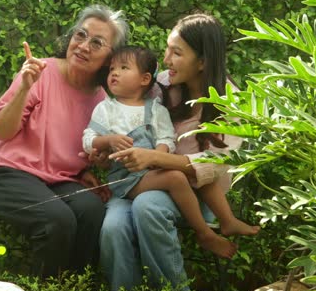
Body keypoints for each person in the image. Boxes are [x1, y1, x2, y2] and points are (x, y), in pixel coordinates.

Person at [99, 12, 259, 291]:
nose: (167, 59)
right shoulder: (159, 85)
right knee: (113, 226)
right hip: (139, 180)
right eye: (167, 49)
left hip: (195, 195)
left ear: (203, 62)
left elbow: (214, 165)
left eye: (177, 52)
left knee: (149, 208)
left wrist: (156, 157)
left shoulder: (229, 103)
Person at [0, 4, 129, 278]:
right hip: (7, 175)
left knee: (93, 211)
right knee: (57, 220)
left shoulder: (100, 100)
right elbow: (3, 132)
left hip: (56, 182)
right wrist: (25, 87)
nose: (83, 46)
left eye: (96, 43)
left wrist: (88, 167)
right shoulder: (41, 72)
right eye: (80, 35)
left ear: (110, 58)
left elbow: (79, 144)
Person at [83, 47, 239, 259]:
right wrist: (105, 143)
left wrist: (158, 155)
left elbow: (166, 139)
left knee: (182, 177)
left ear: (145, 79)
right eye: (112, 69)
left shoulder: (156, 108)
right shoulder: (106, 108)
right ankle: (204, 233)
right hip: (124, 178)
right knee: (174, 178)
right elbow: (89, 139)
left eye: (123, 68)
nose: (114, 73)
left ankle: (212, 229)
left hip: (152, 175)